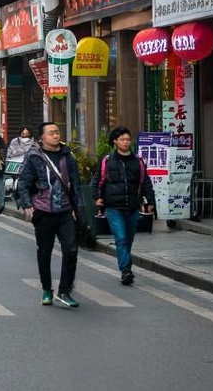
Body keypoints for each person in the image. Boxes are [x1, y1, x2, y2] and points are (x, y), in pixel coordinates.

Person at [17, 121, 83, 308]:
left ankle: (64, 290)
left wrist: (76, 208)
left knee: (71, 250)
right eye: (52, 133)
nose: (56, 135)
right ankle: (47, 289)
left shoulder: (67, 155)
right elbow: (23, 182)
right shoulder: (34, 156)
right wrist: (27, 204)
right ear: (42, 137)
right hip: (43, 211)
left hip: (64, 211)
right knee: (44, 252)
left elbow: (75, 184)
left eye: (57, 132)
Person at [94, 126, 157, 286]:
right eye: (122, 139)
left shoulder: (138, 161)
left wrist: (150, 202)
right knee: (121, 239)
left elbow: (145, 182)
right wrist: (97, 198)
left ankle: (125, 267)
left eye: (128, 139)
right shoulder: (107, 160)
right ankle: (126, 271)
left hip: (133, 207)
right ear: (115, 141)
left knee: (128, 241)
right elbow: (97, 181)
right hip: (114, 207)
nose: (126, 142)